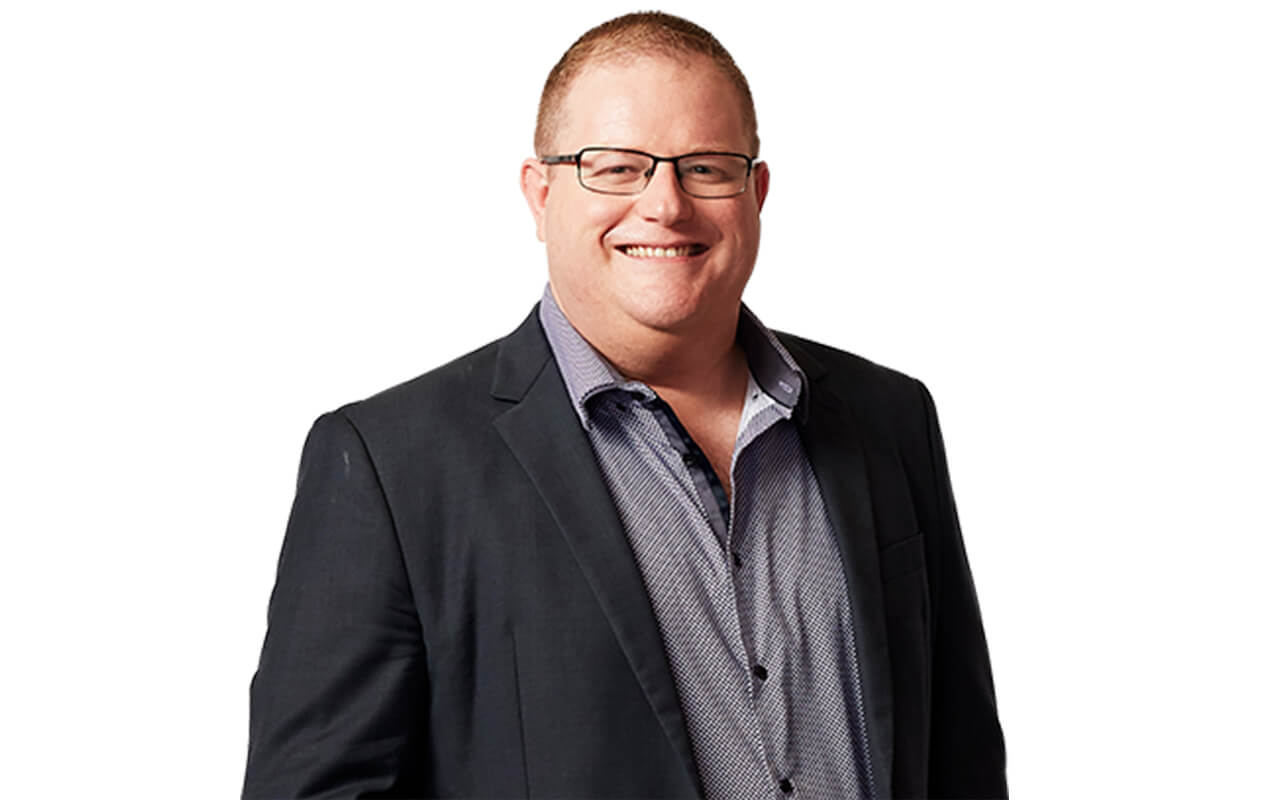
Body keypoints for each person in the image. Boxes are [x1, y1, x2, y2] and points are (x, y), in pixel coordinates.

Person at [243, 11, 1005, 800]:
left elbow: (962, 763)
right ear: (540, 194)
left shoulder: (890, 419)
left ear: (756, 192)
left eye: (706, 167)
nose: (665, 205)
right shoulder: (392, 468)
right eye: (615, 168)